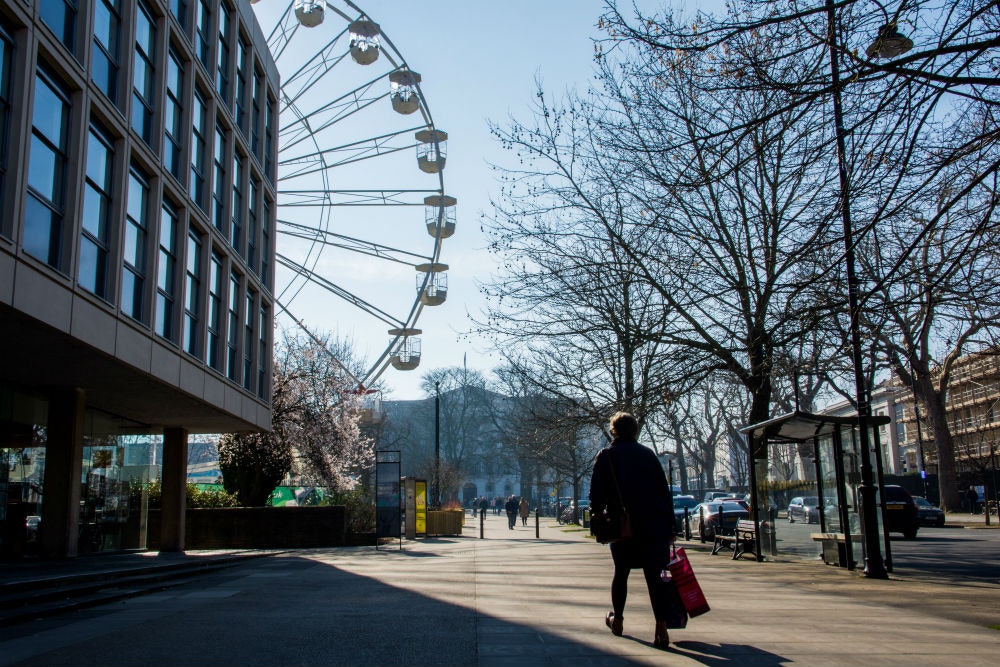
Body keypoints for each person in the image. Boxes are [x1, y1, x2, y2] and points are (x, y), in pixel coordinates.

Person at [590, 411, 678, 649]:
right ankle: (661, 628)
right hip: (654, 524)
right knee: (655, 578)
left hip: (623, 525)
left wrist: (598, 514)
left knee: (621, 572)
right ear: (635, 431)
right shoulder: (648, 455)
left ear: (613, 430)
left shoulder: (606, 456)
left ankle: (617, 620)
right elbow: (663, 492)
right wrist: (671, 525)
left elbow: (596, 495)